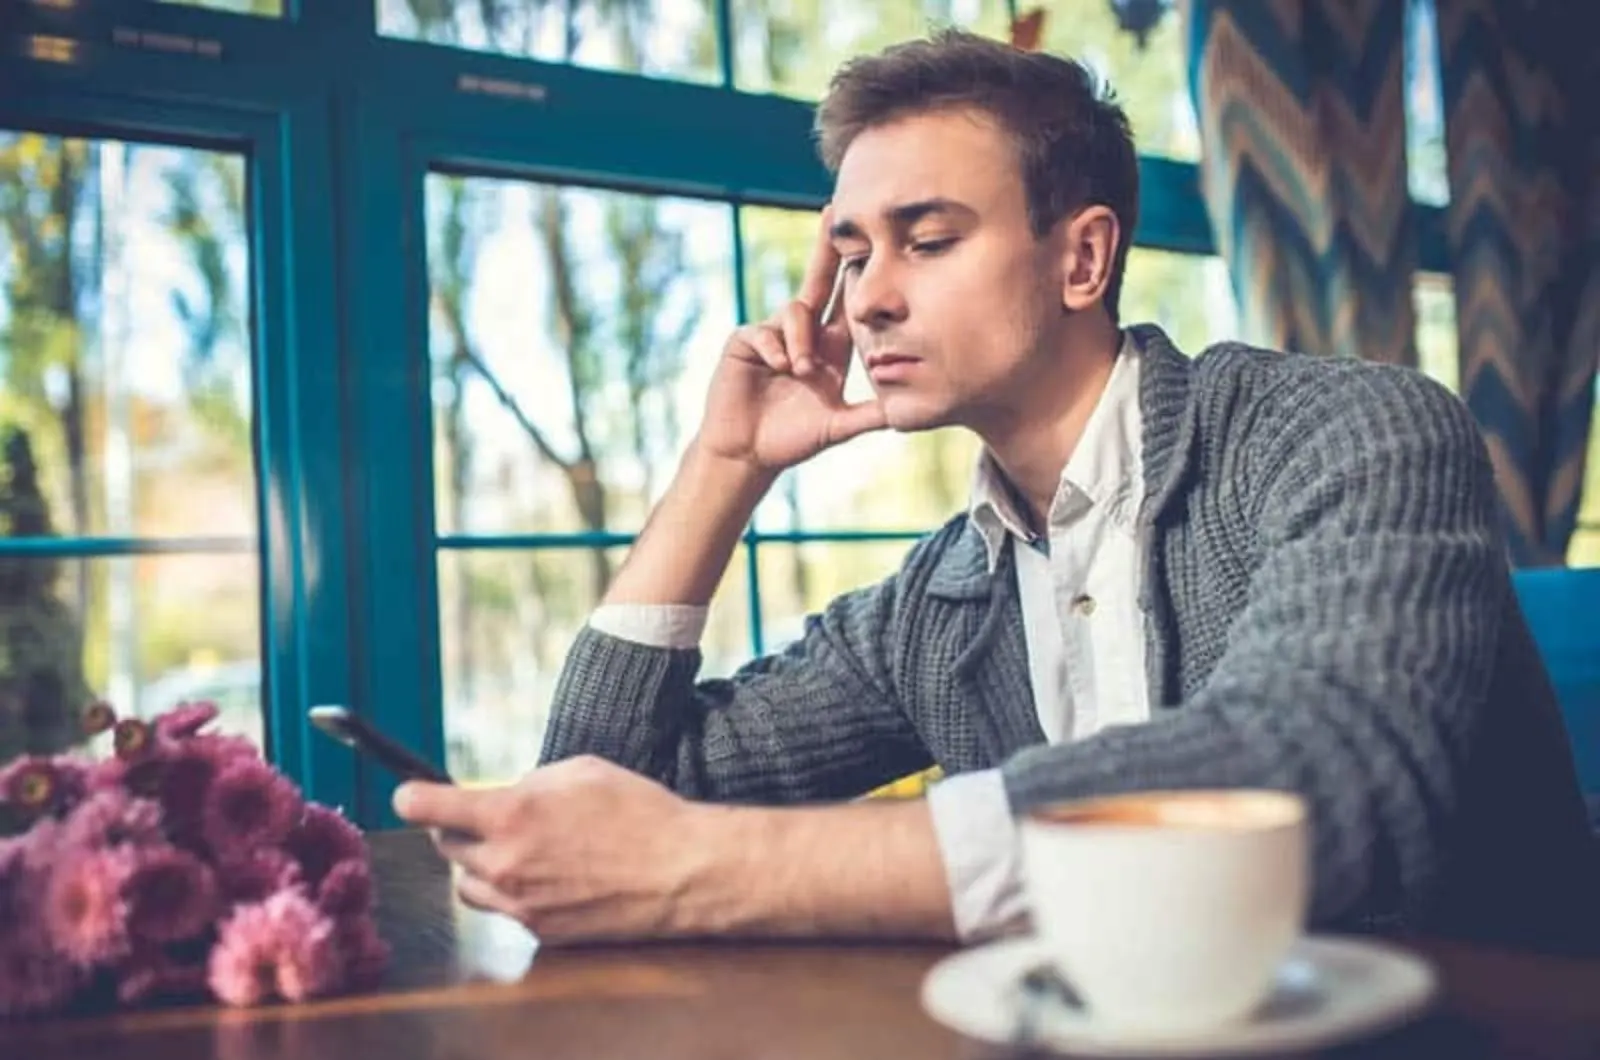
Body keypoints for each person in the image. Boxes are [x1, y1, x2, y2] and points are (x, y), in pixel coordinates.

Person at [393, 28, 1598, 953]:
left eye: (926, 238)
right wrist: (721, 471)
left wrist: (701, 868)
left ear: (1082, 256)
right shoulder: (943, 597)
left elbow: (1315, 786)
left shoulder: (1349, 432)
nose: (863, 298)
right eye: (854, 249)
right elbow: (607, 804)